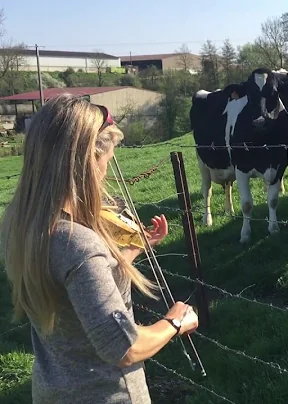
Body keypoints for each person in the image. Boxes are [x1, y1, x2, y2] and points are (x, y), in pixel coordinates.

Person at [0, 94, 199, 404]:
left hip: (52, 392)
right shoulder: (78, 245)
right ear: (87, 160)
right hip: (106, 395)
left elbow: (76, 289)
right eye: (106, 160)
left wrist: (131, 250)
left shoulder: (21, 225)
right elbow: (123, 348)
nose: (106, 172)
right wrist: (176, 321)